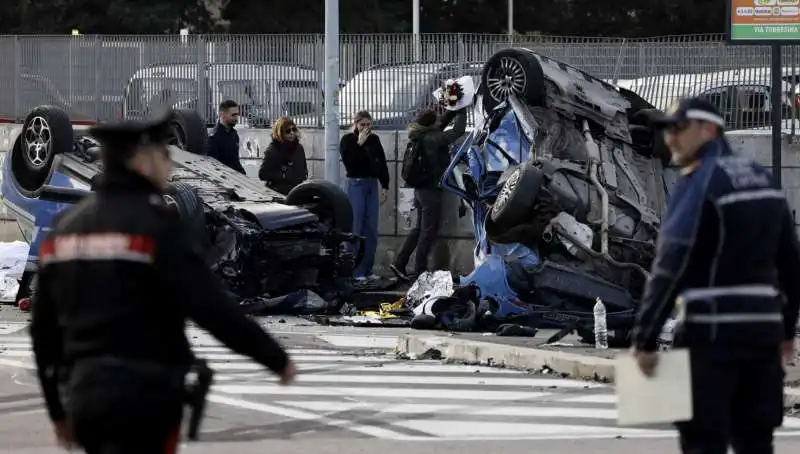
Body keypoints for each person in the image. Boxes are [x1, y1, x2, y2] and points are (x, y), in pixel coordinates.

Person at [30, 111, 297, 454]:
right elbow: (210, 307)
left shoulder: (65, 230)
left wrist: (56, 410)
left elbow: (43, 333)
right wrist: (273, 358)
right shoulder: (157, 226)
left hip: (85, 397)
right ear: (141, 161)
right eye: (163, 157)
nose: (169, 168)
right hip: (146, 396)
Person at [630, 97, 800, 454]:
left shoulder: (699, 182)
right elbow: (791, 265)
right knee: (756, 442)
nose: (670, 139)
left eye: (677, 128)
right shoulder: (763, 179)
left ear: (708, 130)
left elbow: (672, 263)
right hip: (763, 338)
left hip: (710, 336)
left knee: (703, 442)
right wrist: (786, 331)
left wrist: (645, 337)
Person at [390, 106, 467, 281]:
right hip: (430, 192)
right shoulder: (434, 138)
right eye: (437, 118)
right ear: (432, 123)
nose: (440, 119)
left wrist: (453, 108)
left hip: (419, 190)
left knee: (419, 229)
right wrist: (461, 110)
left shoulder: (422, 135)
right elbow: (457, 131)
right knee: (428, 231)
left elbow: (441, 124)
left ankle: (399, 263)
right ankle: (420, 270)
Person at [339, 111, 390, 283]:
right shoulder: (348, 140)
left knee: (371, 229)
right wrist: (359, 143)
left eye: (369, 125)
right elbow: (349, 161)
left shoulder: (374, 139)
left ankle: (367, 268)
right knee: (356, 227)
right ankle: (353, 271)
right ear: (355, 124)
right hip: (356, 183)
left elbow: (381, 162)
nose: (366, 128)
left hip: (371, 183)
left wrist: (385, 185)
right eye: (362, 125)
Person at [259, 116, 308, 195]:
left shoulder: (299, 148)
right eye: (288, 131)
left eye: (294, 129)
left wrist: (302, 175)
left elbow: (304, 170)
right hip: (278, 193)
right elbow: (263, 174)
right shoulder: (273, 149)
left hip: (296, 191)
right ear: (280, 133)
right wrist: (284, 175)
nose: (292, 133)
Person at [208, 99, 246, 174]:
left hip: (236, 179)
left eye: (237, 114)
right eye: (233, 115)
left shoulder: (234, 134)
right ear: (222, 115)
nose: (236, 118)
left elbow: (235, 161)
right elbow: (213, 165)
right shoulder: (213, 137)